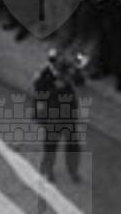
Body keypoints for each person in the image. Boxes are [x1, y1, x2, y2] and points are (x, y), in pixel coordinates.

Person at [33, 48, 84, 183]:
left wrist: (77, 70)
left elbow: (80, 82)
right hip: (53, 115)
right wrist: (56, 88)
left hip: (68, 114)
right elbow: (39, 94)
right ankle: (48, 168)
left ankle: (73, 170)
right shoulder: (44, 75)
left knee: (73, 145)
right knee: (51, 145)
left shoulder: (67, 71)